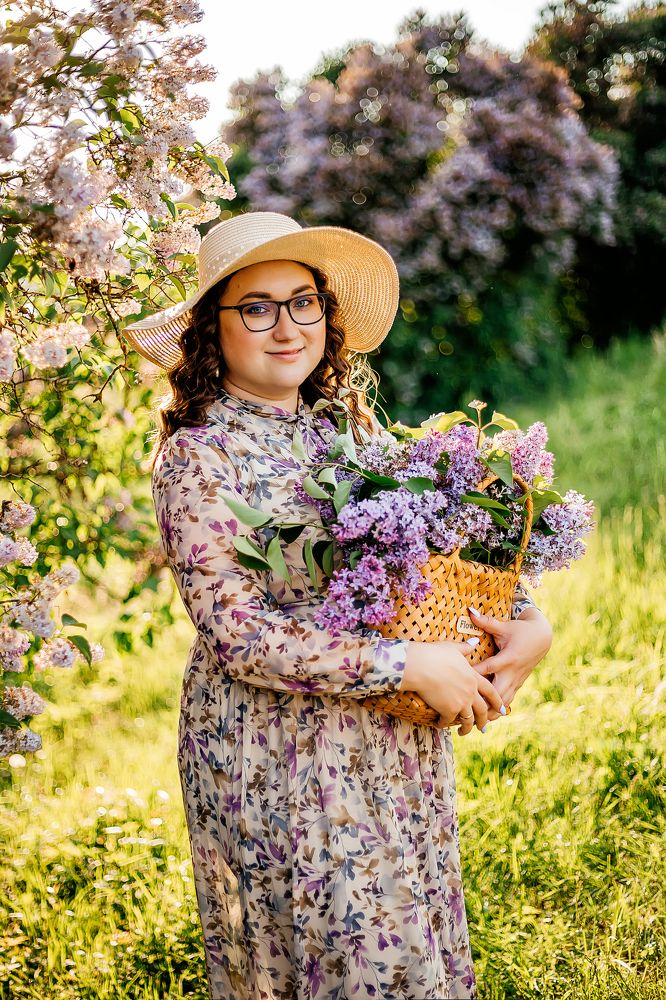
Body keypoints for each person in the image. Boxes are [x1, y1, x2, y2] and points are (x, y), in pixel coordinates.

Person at [123, 212, 553, 1000]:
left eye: (303, 302)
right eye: (255, 307)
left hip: (386, 739)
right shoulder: (198, 454)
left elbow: (427, 549)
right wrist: (408, 662)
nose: (286, 327)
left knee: (404, 941)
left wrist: (530, 624)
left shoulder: (345, 429)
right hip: (278, 752)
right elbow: (238, 635)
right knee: (331, 955)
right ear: (212, 332)